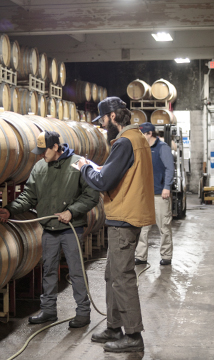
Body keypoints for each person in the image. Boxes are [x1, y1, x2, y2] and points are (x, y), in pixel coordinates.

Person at [0, 130, 99, 328]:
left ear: (55, 147)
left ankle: (83, 312)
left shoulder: (79, 164)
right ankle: (48, 311)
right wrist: (10, 210)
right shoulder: (39, 167)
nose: (41, 154)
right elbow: (29, 196)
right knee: (49, 271)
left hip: (71, 228)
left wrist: (71, 211)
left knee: (76, 271)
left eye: (45, 150)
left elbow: (91, 195)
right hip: (50, 229)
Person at [77, 97, 155, 353]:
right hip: (127, 213)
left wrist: (83, 168)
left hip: (125, 217)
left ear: (112, 117)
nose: (102, 125)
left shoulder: (124, 142)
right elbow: (117, 173)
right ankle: (114, 326)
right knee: (112, 274)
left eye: (102, 120)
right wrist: (97, 168)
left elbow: (102, 182)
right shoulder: (138, 138)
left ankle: (133, 335)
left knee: (122, 278)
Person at [135, 122, 175, 266]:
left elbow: (169, 168)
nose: (140, 137)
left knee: (164, 226)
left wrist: (167, 187)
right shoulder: (142, 149)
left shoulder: (162, 148)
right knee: (142, 227)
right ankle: (140, 256)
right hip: (144, 195)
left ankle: (166, 255)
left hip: (159, 194)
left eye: (141, 134)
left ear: (149, 134)